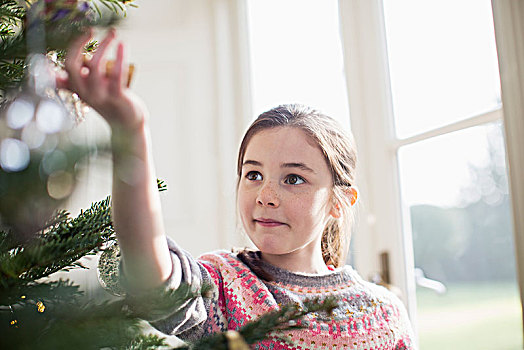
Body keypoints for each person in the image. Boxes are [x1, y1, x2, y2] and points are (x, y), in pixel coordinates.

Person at [58, 30, 414, 349]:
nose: (265, 195)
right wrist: (130, 130)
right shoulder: (224, 285)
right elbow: (150, 274)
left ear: (340, 201)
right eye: (253, 174)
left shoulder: (383, 314)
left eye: (293, 179)